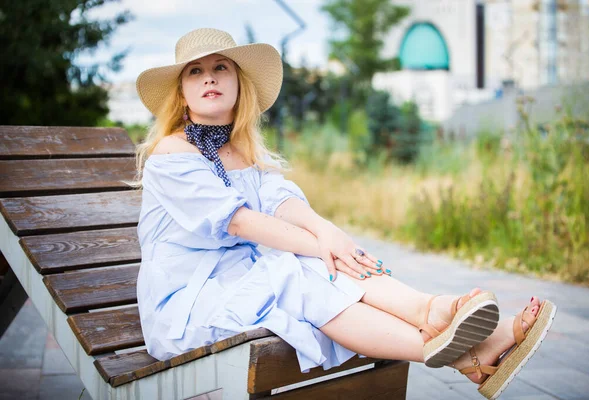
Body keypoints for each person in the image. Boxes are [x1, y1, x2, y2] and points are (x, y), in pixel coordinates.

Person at [134, 28, 556, 399]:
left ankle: (453, 333)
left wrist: (326, 230)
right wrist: (324, 247)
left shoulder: (242, 151)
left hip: (238, 278)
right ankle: (452, 333)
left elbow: (282, 200)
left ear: (238, 84)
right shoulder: (172, 154)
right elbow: (240, 221)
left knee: (314, 264)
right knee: (299, 268)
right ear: (182, 92)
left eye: (220, 67)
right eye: (195, 71)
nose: (209, 76)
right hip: (190, 299)